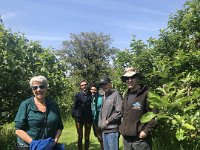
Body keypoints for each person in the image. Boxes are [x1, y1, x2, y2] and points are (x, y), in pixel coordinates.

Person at [14, 75, 64, 149]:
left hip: (48, 146)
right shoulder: (26, 105)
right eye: (35, 87)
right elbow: (18, 130)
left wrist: (54, 141)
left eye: (42, 86)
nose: (38, 89)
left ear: (46, 88)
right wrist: (34, 144)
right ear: (32, 90)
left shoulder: (54, 105)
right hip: (28, 146)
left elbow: (59, 127)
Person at [119, 67, 157, 150]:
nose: (129, 80)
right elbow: (123, 113)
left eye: (132, 78)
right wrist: (121, 128)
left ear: (137, 78)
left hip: (141, 141)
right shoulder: (126, 94)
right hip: (126, 140)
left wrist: (146, 131)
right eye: (127, 78)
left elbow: (154, 115)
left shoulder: (147, 93)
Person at [98, 75, 122, 150]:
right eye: (102, 85)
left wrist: (108, 121)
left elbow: (119, 112)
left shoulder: (116, 95)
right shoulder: (104, 96)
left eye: (105, 84)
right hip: (104, 131)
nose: (103, 86)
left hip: (112, 131)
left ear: (110, 84)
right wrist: (100, 125)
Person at [71, 80, 93, 150]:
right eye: (82, 85)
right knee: (80, 136)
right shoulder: (78, 95)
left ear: (87, 85)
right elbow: (74, 106)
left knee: (87, 137)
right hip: (79, 118)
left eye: (85, 85)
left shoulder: (91, 94)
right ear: (80, 87)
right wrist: (75, 116)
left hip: (88, 119)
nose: (84, 86)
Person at [90, 83, 104, 150]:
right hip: (94, 120)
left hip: (99, 121)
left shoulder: (100, 98)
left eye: (94, 90)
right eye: (91, 89)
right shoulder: (92, 98)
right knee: (99, 137)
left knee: (101, 138)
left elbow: (101, 110)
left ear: (97, 90)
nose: (92, 91)